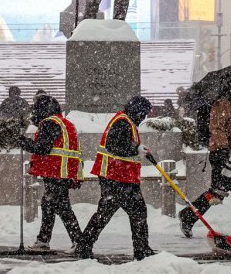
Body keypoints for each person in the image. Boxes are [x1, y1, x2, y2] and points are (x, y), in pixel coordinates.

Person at [76, 95, 155, 261]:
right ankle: (84, 245)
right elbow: (115, 146)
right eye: (144, 113)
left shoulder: (127, 122)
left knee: (133, 212)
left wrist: (137, 148)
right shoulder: (122, 122)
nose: (144, 117)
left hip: (123, 177)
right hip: (115, 177)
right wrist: (136, 149)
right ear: (137, 110)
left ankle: (142, 249)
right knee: (109, 213)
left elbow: (123, 145)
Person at [181, 74, 231, 239]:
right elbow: (216, 129)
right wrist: (224, 150)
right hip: (221, 154)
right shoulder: (222, 103)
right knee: (217, 192)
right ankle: (188, 216)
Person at [19, 94, 83, 252]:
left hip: (56, 172)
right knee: (50, 206)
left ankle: (80, 242)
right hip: (64, 171)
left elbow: (42, 148)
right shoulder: (65, 123)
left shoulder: (50, 123)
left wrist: (21, 141)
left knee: (62, 208)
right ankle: (44, 240)